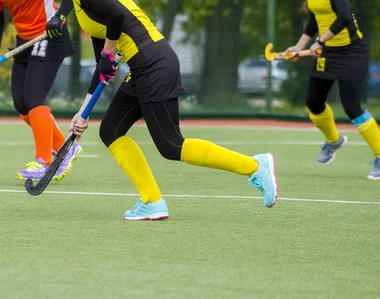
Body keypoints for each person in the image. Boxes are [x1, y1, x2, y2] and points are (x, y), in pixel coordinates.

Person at [68, 0, 279, 220]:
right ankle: (151, 201)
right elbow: (103, 66)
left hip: (153, 64)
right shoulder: (80, 9)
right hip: (143, 67)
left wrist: (108, 54)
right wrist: (83, 112)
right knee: (111, 130)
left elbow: (116, 16)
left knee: (171, 145)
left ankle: (255, 166)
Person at [0, 0, 82, 182]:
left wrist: (59, 16)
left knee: (34, 99)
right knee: (21, 103)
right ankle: (65, 147)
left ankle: (44, 163)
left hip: (48, 35)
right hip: (24, 42)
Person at [284, 0, 380, 180]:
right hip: (327, 52)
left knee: (352, 108)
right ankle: (334, 141)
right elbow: (316, 19)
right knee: (313, 101)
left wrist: (319, 41)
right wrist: (299, 47)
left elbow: (344, 17)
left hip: (352, 52)